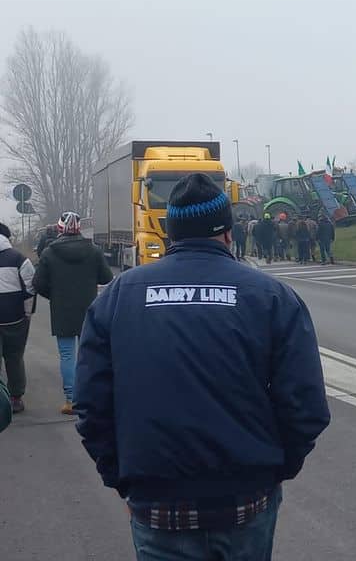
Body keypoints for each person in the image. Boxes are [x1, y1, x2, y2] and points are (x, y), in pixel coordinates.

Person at [74, 173, 330, 561]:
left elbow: (92, 404)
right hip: (245, 500)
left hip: (157, 504)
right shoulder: (271, 297)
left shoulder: (120, 297)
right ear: (228, 232)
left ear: (168, 230)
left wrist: (122, 480)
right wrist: (272, 473)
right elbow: (305, 405)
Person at [34, 211, 113, 415]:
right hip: (89, 309)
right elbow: (106, 277)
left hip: (62, 310)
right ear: (79, 228)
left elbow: (38, 283)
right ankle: (92, 397)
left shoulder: (49, 253)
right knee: (89, 355)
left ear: (60, 228)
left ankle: (71, 400)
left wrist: (54, 296)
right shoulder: (94, 251)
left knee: (67, 355)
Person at [0, 221, 35, 415]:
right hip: (15, 319)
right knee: (14, 358)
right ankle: (15, 398)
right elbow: (31, 287)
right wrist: (27, 313)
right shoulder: (19, 258)